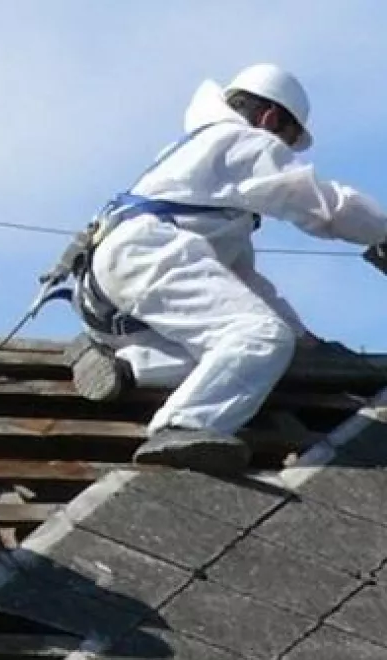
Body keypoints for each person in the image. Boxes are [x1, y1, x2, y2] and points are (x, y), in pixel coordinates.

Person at [65, 63, 387, 473]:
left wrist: (304, 340)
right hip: (150, 256)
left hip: (112, 285)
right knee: (260, 338)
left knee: (262, 355)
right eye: (288, 140)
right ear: (270, 119)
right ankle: (184, 426)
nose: (285, 151)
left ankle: (128, 366)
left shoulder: (204, 163)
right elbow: (324, 206)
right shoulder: (242, 142)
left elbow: (239, 280)